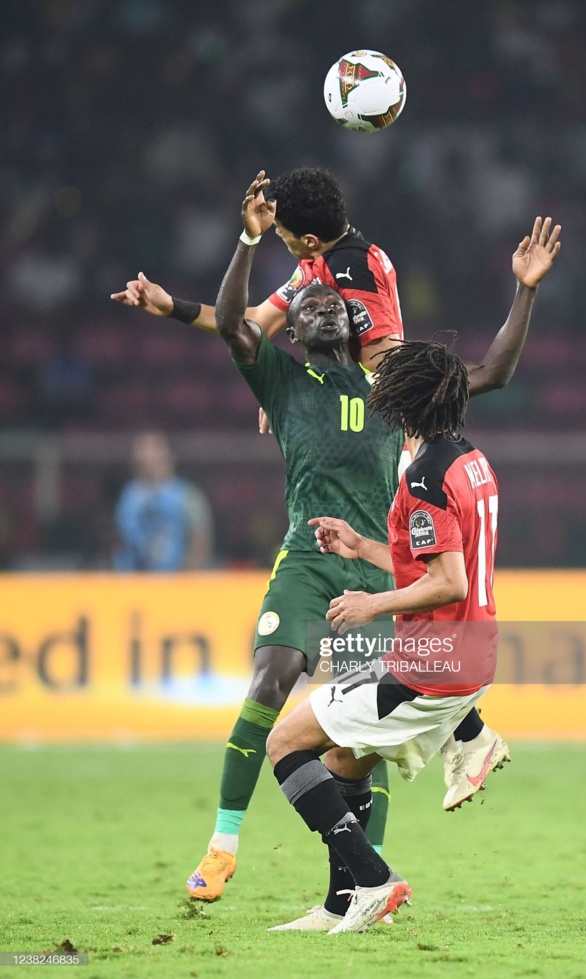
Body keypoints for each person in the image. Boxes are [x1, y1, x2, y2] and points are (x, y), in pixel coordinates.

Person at [111, 169, 561, 904]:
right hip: (308, 561)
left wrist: (525, 288)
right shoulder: (287, 379)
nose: (304, 298)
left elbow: (491, 371)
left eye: (316, 296)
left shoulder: (390, 393)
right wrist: (203, 278)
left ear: (351, 328)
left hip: (374, 577)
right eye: (300, 299)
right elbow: (240, 322)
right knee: (268, 681)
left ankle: (358, 889)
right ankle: (225, 845)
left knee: (356, 747)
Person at [266, 336, 499, 934]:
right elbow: (432, 563)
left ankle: (375, 880)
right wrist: (362, 546)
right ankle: (342, 903)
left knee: (286, 743)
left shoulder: (423, 476)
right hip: (466, 653)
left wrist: (373, 602)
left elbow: (448, 581)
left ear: (408, 400)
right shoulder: (469, 460)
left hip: (430, 663)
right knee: (345, 757)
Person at [113, 431, 213, 571]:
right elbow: (119, 539)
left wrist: (185, 577)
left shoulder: (186, 495)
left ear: (167, 455)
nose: (147, 455)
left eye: (153, 449)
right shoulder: (128, 496)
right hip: (132, 583)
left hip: (173, 583)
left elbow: (200, 539)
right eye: (142, 449)